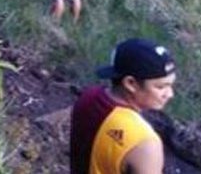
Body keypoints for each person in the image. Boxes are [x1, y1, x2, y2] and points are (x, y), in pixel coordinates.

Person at [70, 38, 176, 174]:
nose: (170, 94)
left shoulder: (89, 97)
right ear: (130, 83)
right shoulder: (144, 143)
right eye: (161, 87)